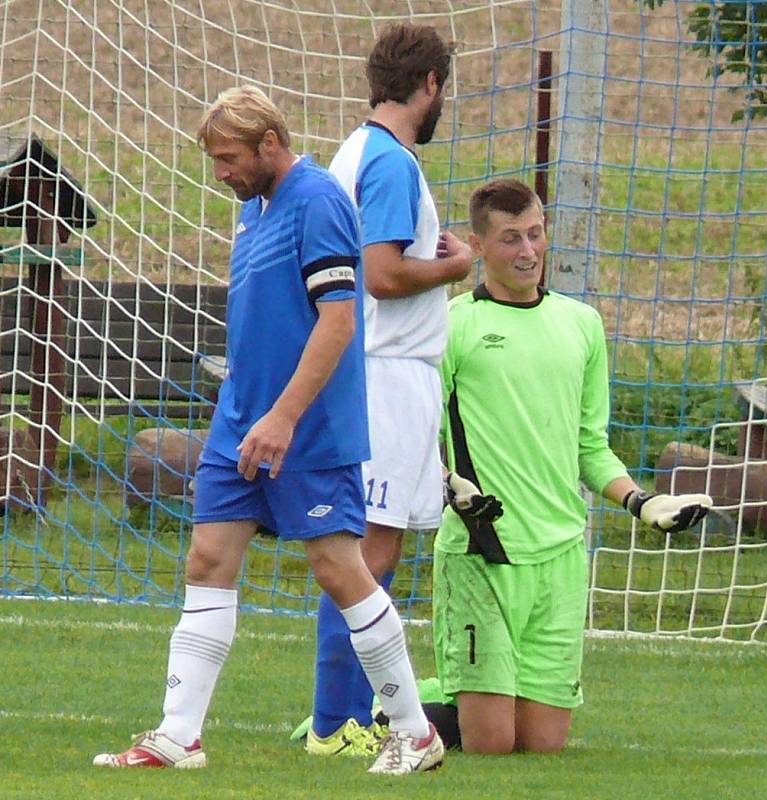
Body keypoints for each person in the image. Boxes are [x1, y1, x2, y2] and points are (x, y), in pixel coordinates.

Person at [91, 85, 443, 775]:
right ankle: (178, 735)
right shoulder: (256, 209)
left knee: (338, 568)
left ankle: (413, 731)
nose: (220, 173)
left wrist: (283, 417)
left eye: (229, 158)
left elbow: (339, 321)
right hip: (239, 424)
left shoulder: (318, 201)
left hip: (306, 428)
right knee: (206, 562)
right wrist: (247, 409)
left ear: (270, 145)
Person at [428, 178, 712, 754]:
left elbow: (590, 444)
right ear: (479, 247)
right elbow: (415, 436)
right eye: (510, 239)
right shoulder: (452, 325)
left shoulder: (581, 324)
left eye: (535, 234)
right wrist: (447, 486)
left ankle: (411, 700)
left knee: (543, 745)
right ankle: (385, 709)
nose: (528, 251)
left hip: (560, 556)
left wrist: (643, 501)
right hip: (484, 552)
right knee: (493, 747)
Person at [299, 23, 474, 757]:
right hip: (387, 372)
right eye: (444, 90)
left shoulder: (354, 150)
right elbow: (385, 274)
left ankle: (344, 712)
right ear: (429, 84)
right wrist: (456, 266)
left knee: (363, 550)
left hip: (370, 372)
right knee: (368, 553)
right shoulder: (392, 161)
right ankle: (336, 722)